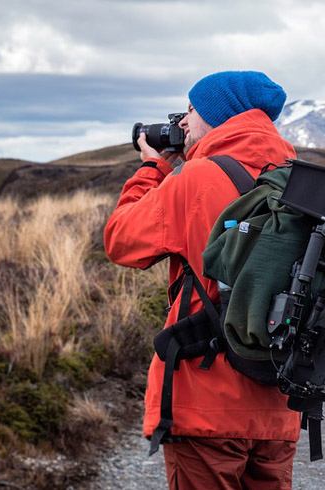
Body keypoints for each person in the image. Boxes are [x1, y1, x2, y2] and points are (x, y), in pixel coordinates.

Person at [104, 71, 301, 490]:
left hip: (207, 400)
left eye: (191, 111)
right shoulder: (299, 179)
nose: (182, 124)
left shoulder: (194, 179)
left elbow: (121, 241)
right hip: (279, 401)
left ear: (216, 115)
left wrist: (153, 170)